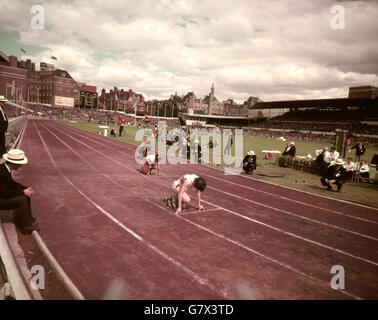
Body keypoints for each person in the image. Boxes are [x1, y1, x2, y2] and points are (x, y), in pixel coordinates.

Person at [0, 149, 39, 234]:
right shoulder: (1, 172)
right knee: (22, 199)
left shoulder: (5, 168)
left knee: (25, 194)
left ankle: (27, 218)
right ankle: (24, 227)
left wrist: (24, 188)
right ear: (13, 163)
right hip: (1, 199)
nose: (21, 166)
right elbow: (4, 194)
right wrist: (22, 192)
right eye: (20, 164)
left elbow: (12, 184)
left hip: (2, 196)